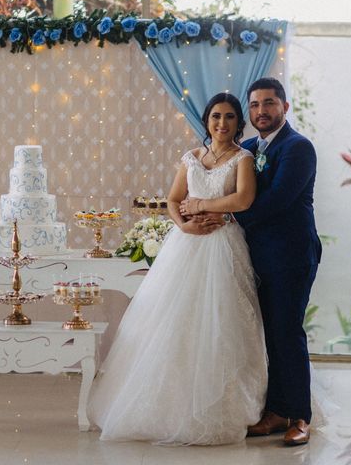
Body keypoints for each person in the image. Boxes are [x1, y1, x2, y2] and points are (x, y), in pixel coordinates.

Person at [87, 93, 268, 445]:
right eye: (216, 116)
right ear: (206, 120)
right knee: (173, 322)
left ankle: (219, 407)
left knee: (220, 321)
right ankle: (165, 406)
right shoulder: (191, 158)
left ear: (238, 123)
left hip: (223, 244)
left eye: (230, 117)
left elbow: (243, 199)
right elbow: (172, 199)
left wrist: (202, 203)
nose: (222, 123)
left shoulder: (243, 158)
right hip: (186, 246)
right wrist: (183, 225)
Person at [181, 77, 322, 446]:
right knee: (263, 335)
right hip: (249, 255)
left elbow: (274, 201)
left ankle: (300, 416)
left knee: (287, 332)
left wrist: (222, 215)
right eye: (256, 105)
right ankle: (275, 411)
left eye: (270, 103)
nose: (263, 111)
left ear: (284, 107)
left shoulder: (298, 148)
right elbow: (228, 189)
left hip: (289, 254)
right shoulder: (245, 148)